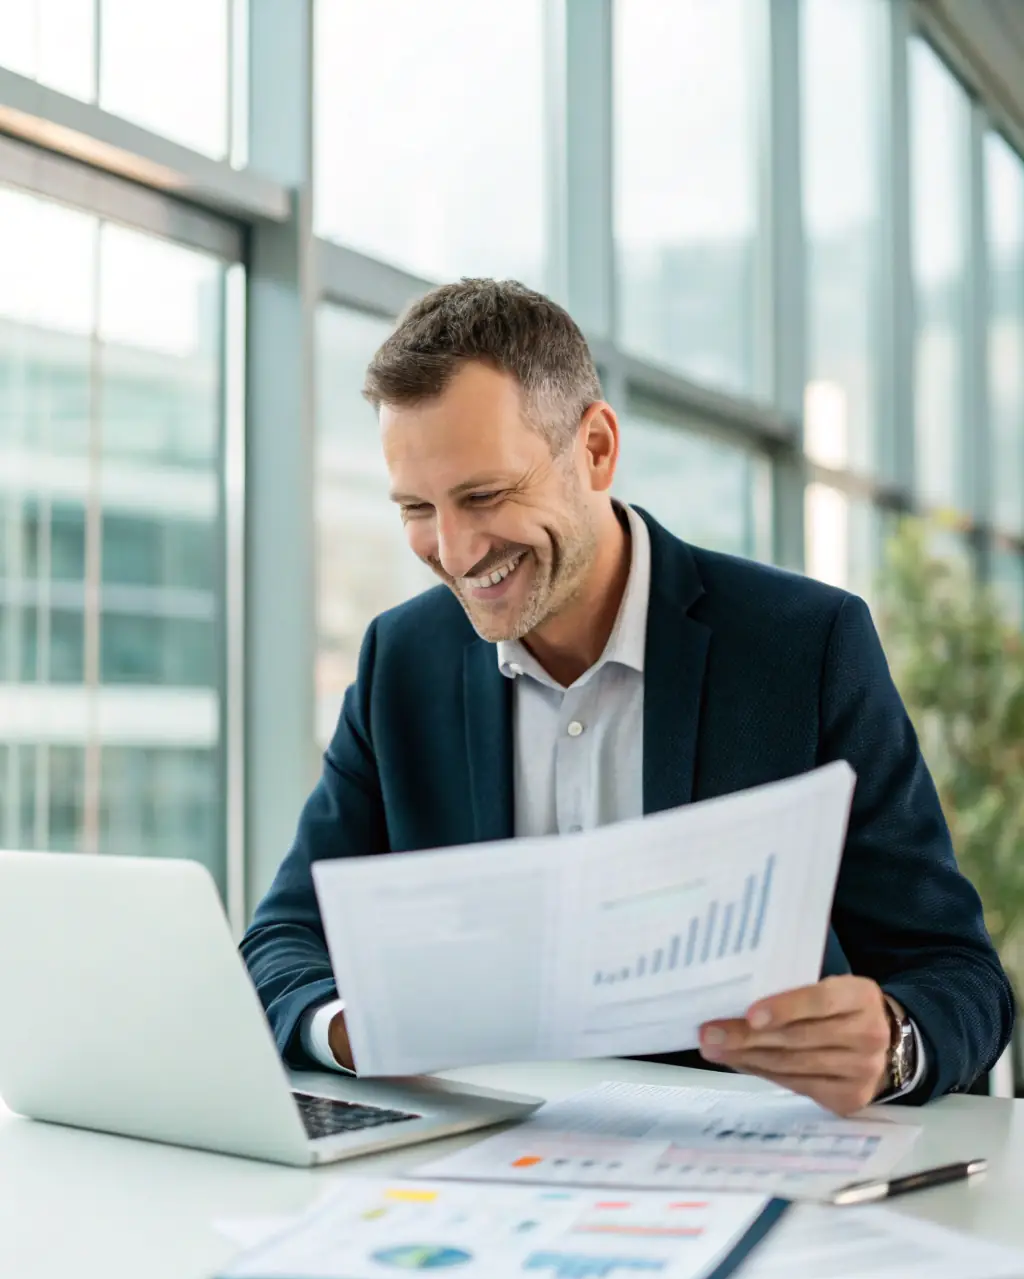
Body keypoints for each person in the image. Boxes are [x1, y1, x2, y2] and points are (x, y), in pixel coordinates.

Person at [241, 278, 1013, 1116]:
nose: (454, 551)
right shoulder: (401, 661)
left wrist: (893, 1042)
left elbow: (958, 972)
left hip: (750, 1156)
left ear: (597, 449)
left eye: (484, 496)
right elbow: (282, 939)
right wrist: (353, 1029)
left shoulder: (803, 646)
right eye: (416, 508)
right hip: (483, 1160)